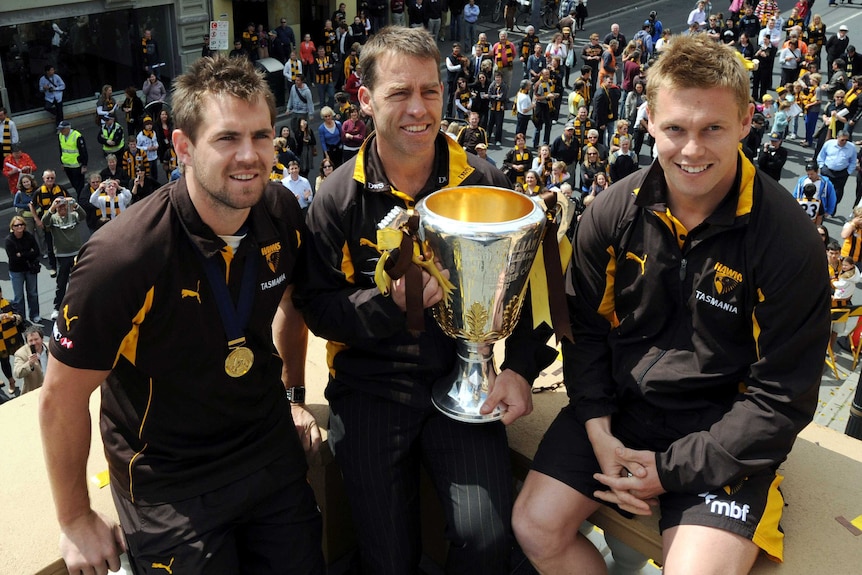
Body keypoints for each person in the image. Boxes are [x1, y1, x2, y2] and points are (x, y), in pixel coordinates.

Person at [513, 34, 830, 575]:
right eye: (675, 129)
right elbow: (584, 332)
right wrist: (599, 431)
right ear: (649, 122)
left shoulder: (788, 241)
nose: (692, 150)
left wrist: (667, 471)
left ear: (748, 121)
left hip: (723, 430)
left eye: (713, 128)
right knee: (535, 526)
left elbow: (781, 399)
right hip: (622, 411)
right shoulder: (613, 210)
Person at [39, 54, 325, 575]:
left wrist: (293, 397)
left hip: (265, 447)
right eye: (227, 138)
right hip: (167, 480)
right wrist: (76, 516)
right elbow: (62, 396)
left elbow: (292, 306)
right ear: (182, 146)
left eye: (262, 136)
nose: (250, 155)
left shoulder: (280, 210)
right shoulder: (122, 258)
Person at [293, 26, 555, 575]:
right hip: (369, 388)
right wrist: (387, 305)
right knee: (386, 560)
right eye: (399, 92)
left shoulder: (482, 180)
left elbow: (533, 290)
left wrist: (523, 371)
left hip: (462, 382)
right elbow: (316, 308)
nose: (419, 108)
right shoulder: (336, 198)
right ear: (364, 100)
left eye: (430, 91)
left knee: (486, 542)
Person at [40, 197, 86, 320]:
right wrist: (51, 208)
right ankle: (57, 307)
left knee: (80, 280)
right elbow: (44, 222)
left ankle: (82, 304)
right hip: (62, 255)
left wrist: (75, 204)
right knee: (61, 283)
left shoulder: (74, 215)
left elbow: (83, 215)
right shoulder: (53, 218)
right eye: (59, 207)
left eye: (64, 206)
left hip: (76, 252)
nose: (62, 208)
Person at [4, 216, 40, 324]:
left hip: (30, 269)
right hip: (16, 271)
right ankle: (21, 318)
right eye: (16, 225)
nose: (19, 227)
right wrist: (29, 253)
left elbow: (36, 252)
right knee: (18, 297)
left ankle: (35, 315)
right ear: (12, 227)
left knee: (33, 293)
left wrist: (22, 254)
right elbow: (14, 258)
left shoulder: (29, 236)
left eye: (21, 224)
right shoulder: (9, 240)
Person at [817, 130, 857, 203]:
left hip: (842, 173)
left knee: (837, 194)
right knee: (823, 191)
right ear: (837, 137)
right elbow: (821, 156)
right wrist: (822, 167)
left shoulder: (851, 147)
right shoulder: (829, 144)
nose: (844, 142)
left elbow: (853, 161)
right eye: (842, 140)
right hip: (827, 171)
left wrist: (848, 172)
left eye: (846, 140)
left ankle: (832, 210)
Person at [0, 286, 23, 397]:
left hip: (14, 338)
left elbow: (20, 317)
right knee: (4, 362)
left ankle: (30, 377)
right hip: (0, 343)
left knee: (23, 357)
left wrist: (13, 318)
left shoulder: (9, 303)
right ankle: (11, 381)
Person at [13, 325, 48, 395]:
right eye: (31, 341)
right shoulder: (21, 354)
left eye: (36, 339)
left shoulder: (51, 348)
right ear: (27, 342)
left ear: (42, 338)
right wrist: (29, 364)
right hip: (35, 391)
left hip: (52, 387)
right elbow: (17, 373)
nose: (34, 343)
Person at [57, 120, 88, 195]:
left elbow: (83, 151)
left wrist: (84, 165)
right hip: (67, 165)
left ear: (68, 128)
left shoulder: (77, 136)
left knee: (79, 186)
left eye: (62, 129)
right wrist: (62, 163)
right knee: (74, 184)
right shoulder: (61, 136)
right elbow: (61, 150)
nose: (61, 131)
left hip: (77, 165)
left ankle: (81, 200)